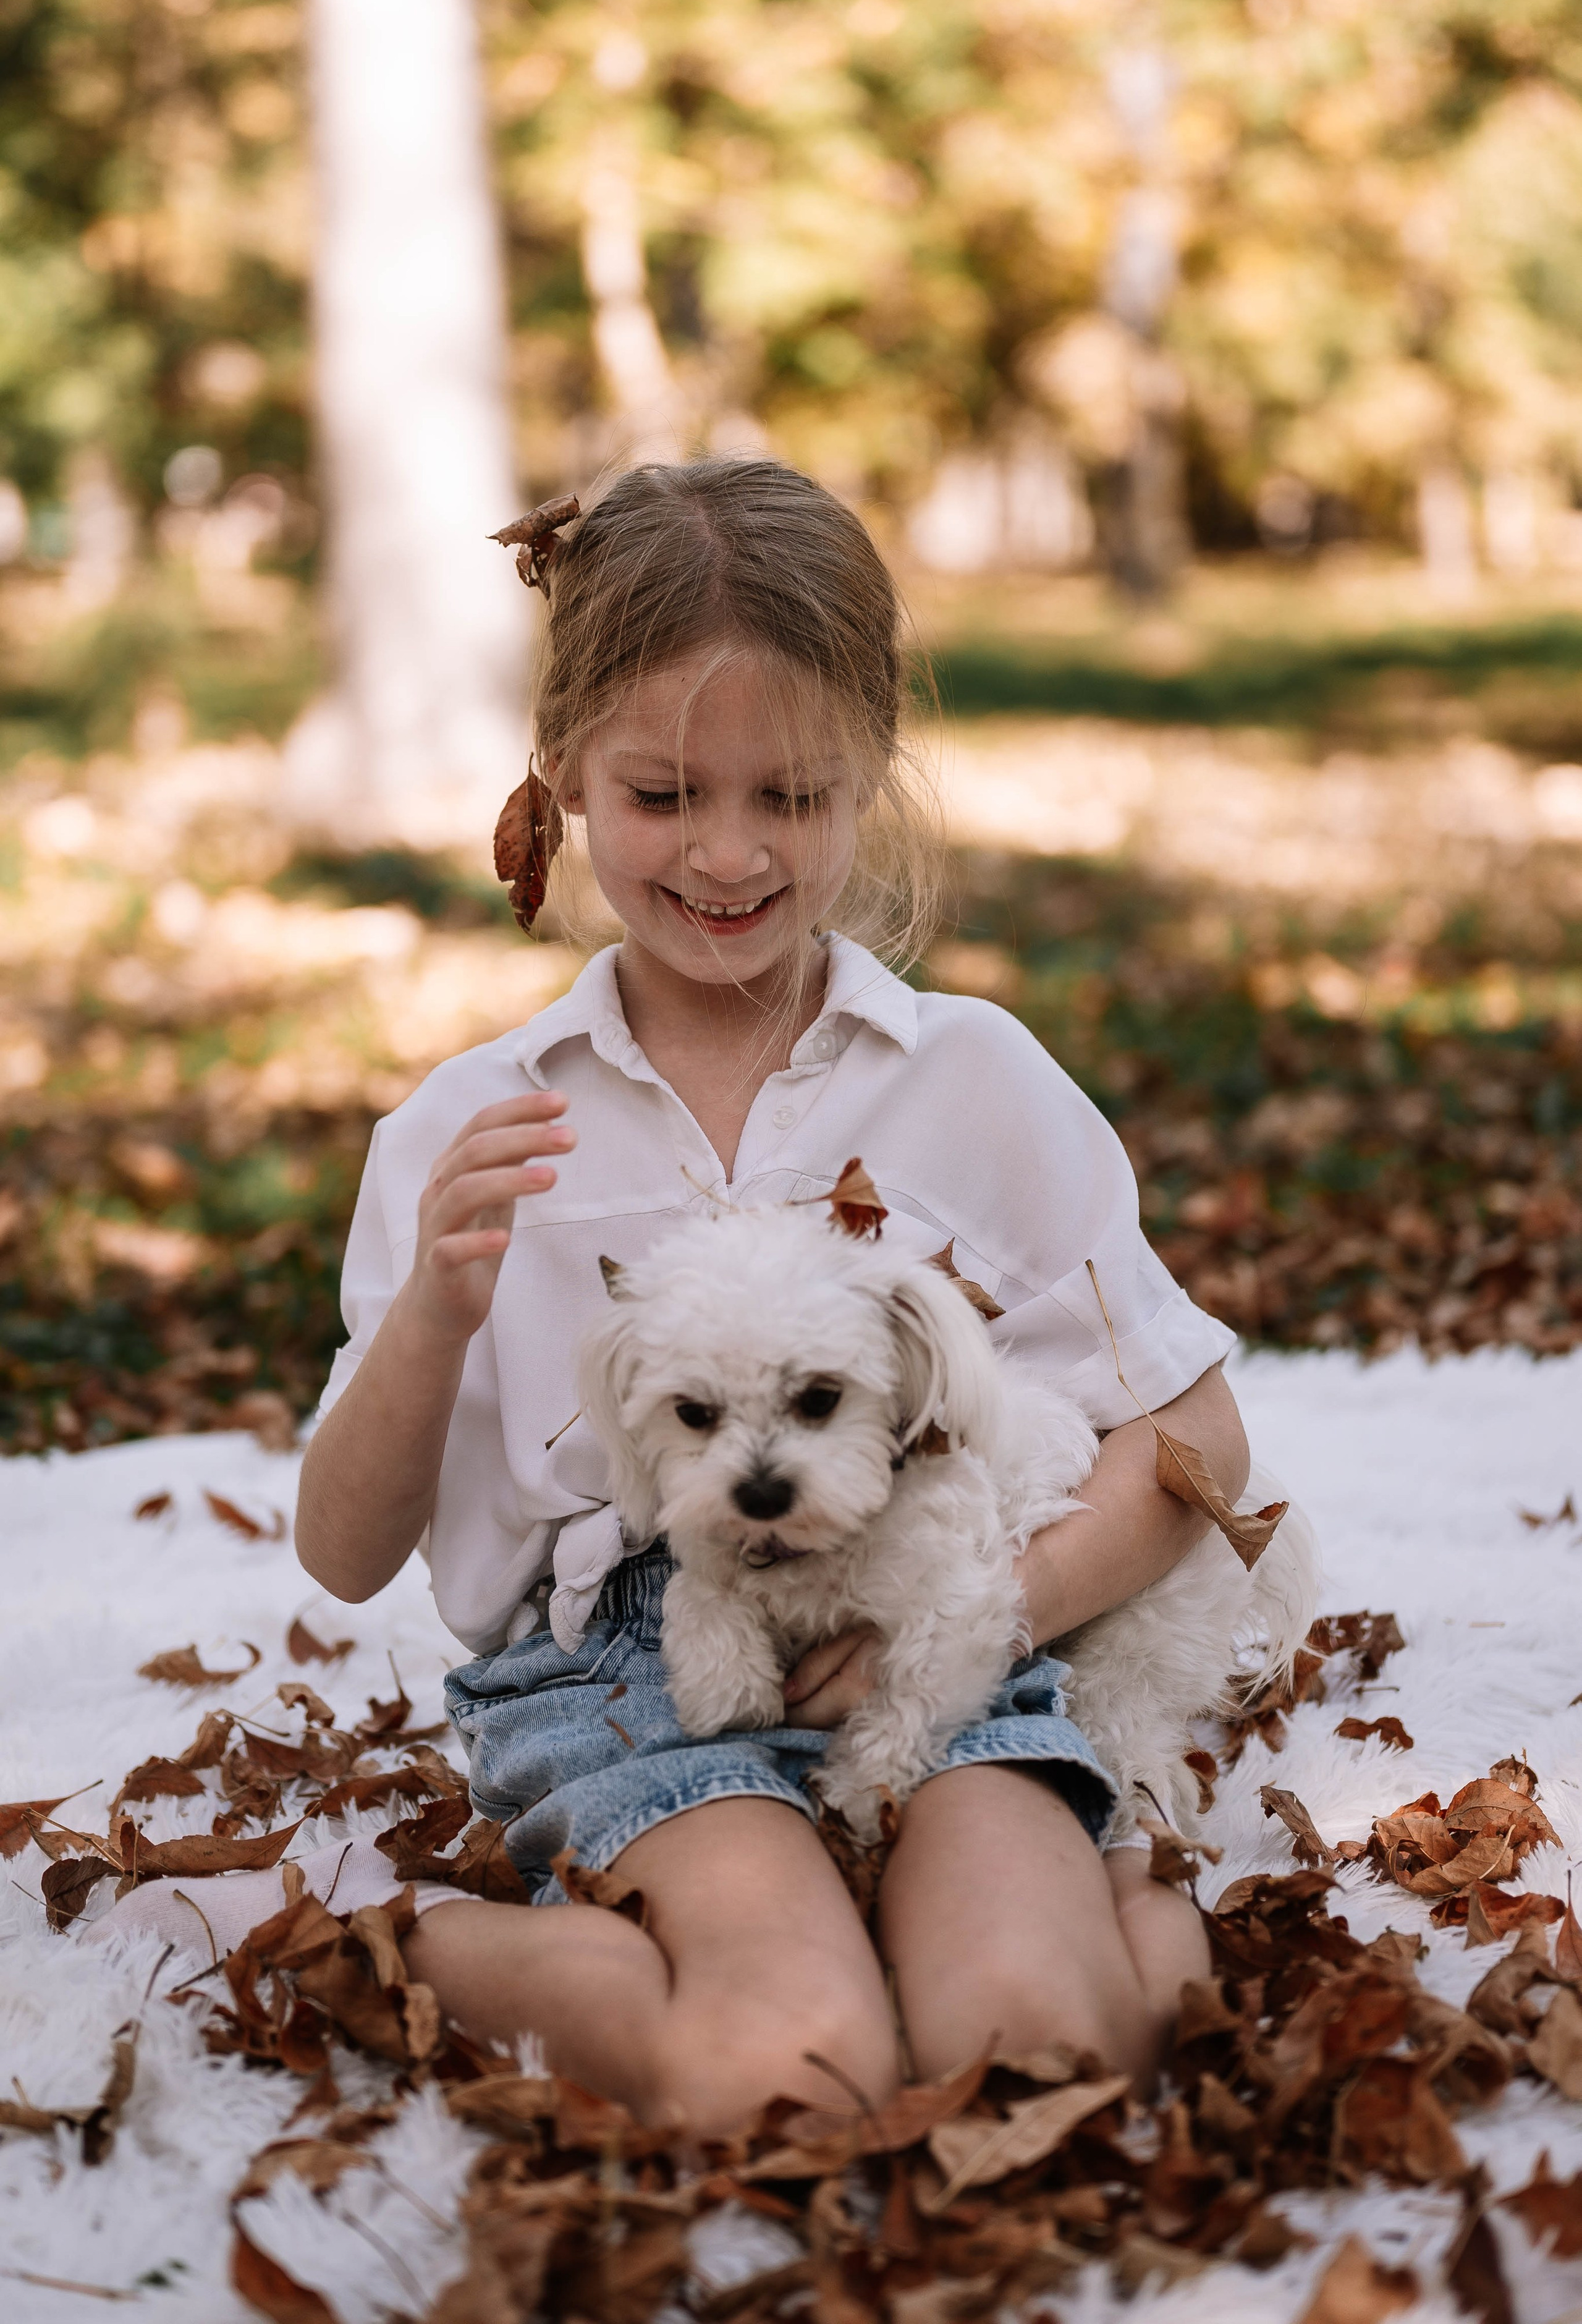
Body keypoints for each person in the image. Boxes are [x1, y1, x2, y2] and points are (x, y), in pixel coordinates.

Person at [105, 460, 1251, 2135]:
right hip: (622, 1668)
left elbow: (1193, 1431)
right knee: (791, 2072)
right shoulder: (469, 1129)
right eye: (663, 794)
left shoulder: (974, 1083)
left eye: (789, 795)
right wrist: (432, 1310)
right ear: (565, 772)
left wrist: (990, 1612)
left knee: (1036, 2052)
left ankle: (1106, 1912)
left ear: (870, 773)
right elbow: (346, 1554)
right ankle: (389, 1939)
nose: (728, 852)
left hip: (934, 1622)